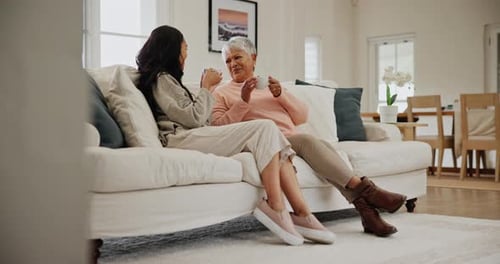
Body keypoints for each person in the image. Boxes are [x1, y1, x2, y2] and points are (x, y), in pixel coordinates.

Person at [135, 25, 335, 245]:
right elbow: (194, 118)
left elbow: (197, 118)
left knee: (268, 130)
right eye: (185, 48)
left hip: (195, 133)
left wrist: (280, 94)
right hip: (181, 138)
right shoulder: (162, 79)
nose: (186, 54)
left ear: (253, 58)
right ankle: (276, 208)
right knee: (265, 128)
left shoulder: (169, 80)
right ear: (171, 49)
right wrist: (206, 87)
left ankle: (302, 212)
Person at [211, 36, 407, 237]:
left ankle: (368, 214)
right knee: (309, 141)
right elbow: (220, 128)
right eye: (228, 61)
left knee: (322, 148)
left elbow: (301, 117)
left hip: (291, 139)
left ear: (253, 58)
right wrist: (243, 100)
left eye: (237, 57)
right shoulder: (222, 92)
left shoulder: (270, 86)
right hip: (265, 142)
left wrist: (281, 95)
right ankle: (369, 193)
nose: (233, 64)